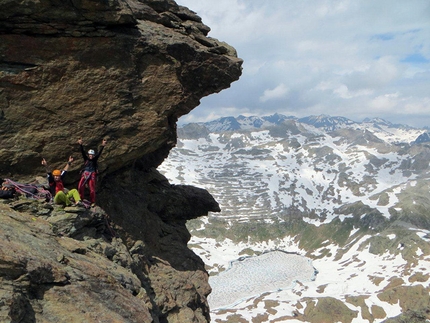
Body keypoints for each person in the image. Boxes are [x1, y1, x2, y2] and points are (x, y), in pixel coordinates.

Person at [77, 138, 107, 206]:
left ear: (93, 155)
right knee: (80, 186)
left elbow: (99, 153)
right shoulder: (86, 159)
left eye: (92, 155)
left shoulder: (94, 159)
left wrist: (103, 145)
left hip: (92, 173)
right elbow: (82, 152)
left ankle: (92, 201)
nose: (91, 156)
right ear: (88, 155)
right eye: (90, 155)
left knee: (92, 188)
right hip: (85, 173)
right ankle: (81, 198)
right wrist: (80, 144)